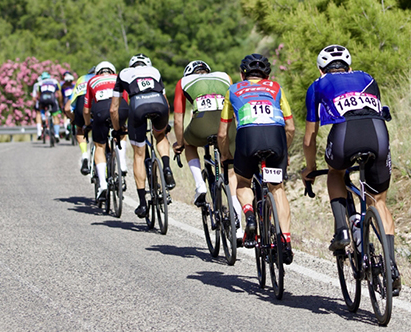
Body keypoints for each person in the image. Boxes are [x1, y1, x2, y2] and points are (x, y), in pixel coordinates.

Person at [301, 44, 401, 295]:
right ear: (350, 66)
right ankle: (391, 266)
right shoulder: (367, 77)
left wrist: (310, 169)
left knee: (335, 172)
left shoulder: (317, 85)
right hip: (378, 134)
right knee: (378, 201)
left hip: (346, 135)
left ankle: (342, 229)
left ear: (321, 69)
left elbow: (309, 137)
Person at [218, 54, 295, 265]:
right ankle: (286, 241)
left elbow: (223, 133)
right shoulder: (275, 88)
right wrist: (284, 152)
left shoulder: (233, 90)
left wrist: (226, 155)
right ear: (267, 75)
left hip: (248, 139)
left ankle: (249, 214)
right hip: (275, 139)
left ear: (242, 75)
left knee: (243, 182)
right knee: (276, 187)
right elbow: (290, 127)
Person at [172, 60, 243, 240]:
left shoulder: (183, 82)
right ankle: (240, 227)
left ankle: (199, 185)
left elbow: (178, 120)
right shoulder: (224, 76)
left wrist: (179, 143)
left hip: (201, 124)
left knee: (189, 144)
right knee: (231, 173)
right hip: (226, 126)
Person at [110, 54, 175, 218]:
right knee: (160, 136)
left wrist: (118, 129)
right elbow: (166, 102)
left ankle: (142, 203)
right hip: (159, 105)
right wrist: (164, 125)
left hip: (137, 106)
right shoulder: (155, 71)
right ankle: (166, 167)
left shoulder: (124, 73)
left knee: (139, 155)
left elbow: (113, 109)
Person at [83, 61, 130, 201]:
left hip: (101, 110)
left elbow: (86, 109)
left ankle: (103, 184)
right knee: (121, 133)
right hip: (121, 108)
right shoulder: (119, 77)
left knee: (99, 146)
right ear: (112, 71)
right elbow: (125, 99)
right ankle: (122, 163)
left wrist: (87, 125)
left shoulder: (92, 80)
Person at [65, 67, 96, 174]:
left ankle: (84, 155)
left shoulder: (82, 79)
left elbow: (67, 108)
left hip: (81, 104)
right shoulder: (102, 78)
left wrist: (74, 119)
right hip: (98, 103)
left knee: (80, 130)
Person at [32, 72, 63, 141]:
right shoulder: (54, 81)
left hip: (43, 98)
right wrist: (61, 103)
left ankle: (43, 117)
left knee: (41, 108)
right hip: (52, 98)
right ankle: (57, 134)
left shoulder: (40, 83)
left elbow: (39, 95)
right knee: (55, 116)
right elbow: (59, 94)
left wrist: (39, 104)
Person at [61, 72, 75, 140]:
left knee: (65, 116)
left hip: (66, 101)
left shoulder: (62, 86)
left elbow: (61, 96)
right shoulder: (74, 85)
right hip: (73, 101)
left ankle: (67, 131)